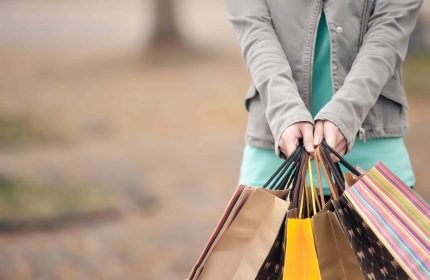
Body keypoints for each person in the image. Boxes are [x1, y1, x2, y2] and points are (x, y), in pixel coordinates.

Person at [226, 0, 423, 192]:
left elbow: (389, 32)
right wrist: (286, 112)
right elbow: (254, 30)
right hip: (274, 160)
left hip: (373, 156)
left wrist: (345, 114)